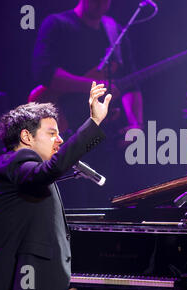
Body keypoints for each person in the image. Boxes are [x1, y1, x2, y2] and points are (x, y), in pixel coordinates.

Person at [0, 82, 112, 290]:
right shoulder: (15, 162)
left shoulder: (24, 173)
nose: (60, 140)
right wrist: (94, 122)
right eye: (52, 133)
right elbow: (50, 170)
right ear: (26, 137)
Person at [31, 0, 144, 206]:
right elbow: (45, 73)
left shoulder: (114, 31)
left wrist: (136, 124)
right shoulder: (57, 24)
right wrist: (92, 86)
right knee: (71, 201)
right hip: (65, 130)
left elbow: (131, 84)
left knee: (106, 201)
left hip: (105, 136)